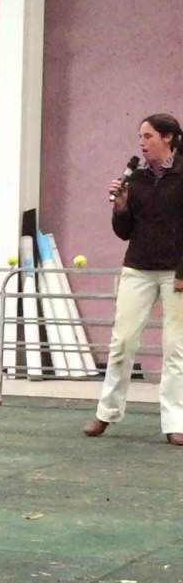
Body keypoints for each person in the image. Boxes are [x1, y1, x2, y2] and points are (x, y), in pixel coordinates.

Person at [85, 112, 183, 445]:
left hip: (176, 272)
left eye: (147, 137)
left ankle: (175, 422)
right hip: (138, 268)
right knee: (122, 342)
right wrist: (121, 207)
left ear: (168, 138)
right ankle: (106, 413)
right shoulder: (136, 180)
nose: (141, 144)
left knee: (175, 349)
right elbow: (124, 233)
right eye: (140, 138)